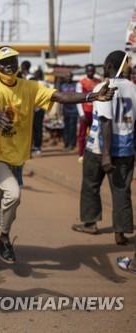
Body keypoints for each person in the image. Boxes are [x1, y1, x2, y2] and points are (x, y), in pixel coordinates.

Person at [0, 46, 116, 263]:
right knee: (13, 194)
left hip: (18, 155)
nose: (9, 66)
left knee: (6, 197)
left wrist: (92, 96)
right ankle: (4, 238)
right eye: (4, 63)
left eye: (12, 61)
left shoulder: (31, 86)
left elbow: (61, 96)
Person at [72, 51, 135, 245]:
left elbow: (105, 121)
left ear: (108, 66)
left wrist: (106, 154)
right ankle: (121, 232)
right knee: (121, 190)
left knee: (91, 184)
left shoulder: (104, 87)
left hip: (99, 149)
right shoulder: (134, 88)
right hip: (126, 148)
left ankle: (90, 223)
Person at [76, 64, 102, 161]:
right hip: (85, 112)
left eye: (92, 70)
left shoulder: (98, 81)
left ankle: (94, 153)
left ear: (94, 71)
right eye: (89, 70)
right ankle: (81, 154)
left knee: (96, 133)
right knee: (82, 134)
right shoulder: (81, 83)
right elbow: (78, 99)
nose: (90, 72)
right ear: (86, 71)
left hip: (95, 112)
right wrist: (81, 114)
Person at [60, 72, 78, 150]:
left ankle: (72, 144)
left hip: (74, 110)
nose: (68, 78)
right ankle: (66, 143)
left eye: (70, 76)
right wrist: (60, 110)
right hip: (65, 110)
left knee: (72, 128)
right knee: (66, 127)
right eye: (67, 76)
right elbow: (60, 98)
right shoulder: (62, 86)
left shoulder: (76, 85)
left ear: (72, 77)